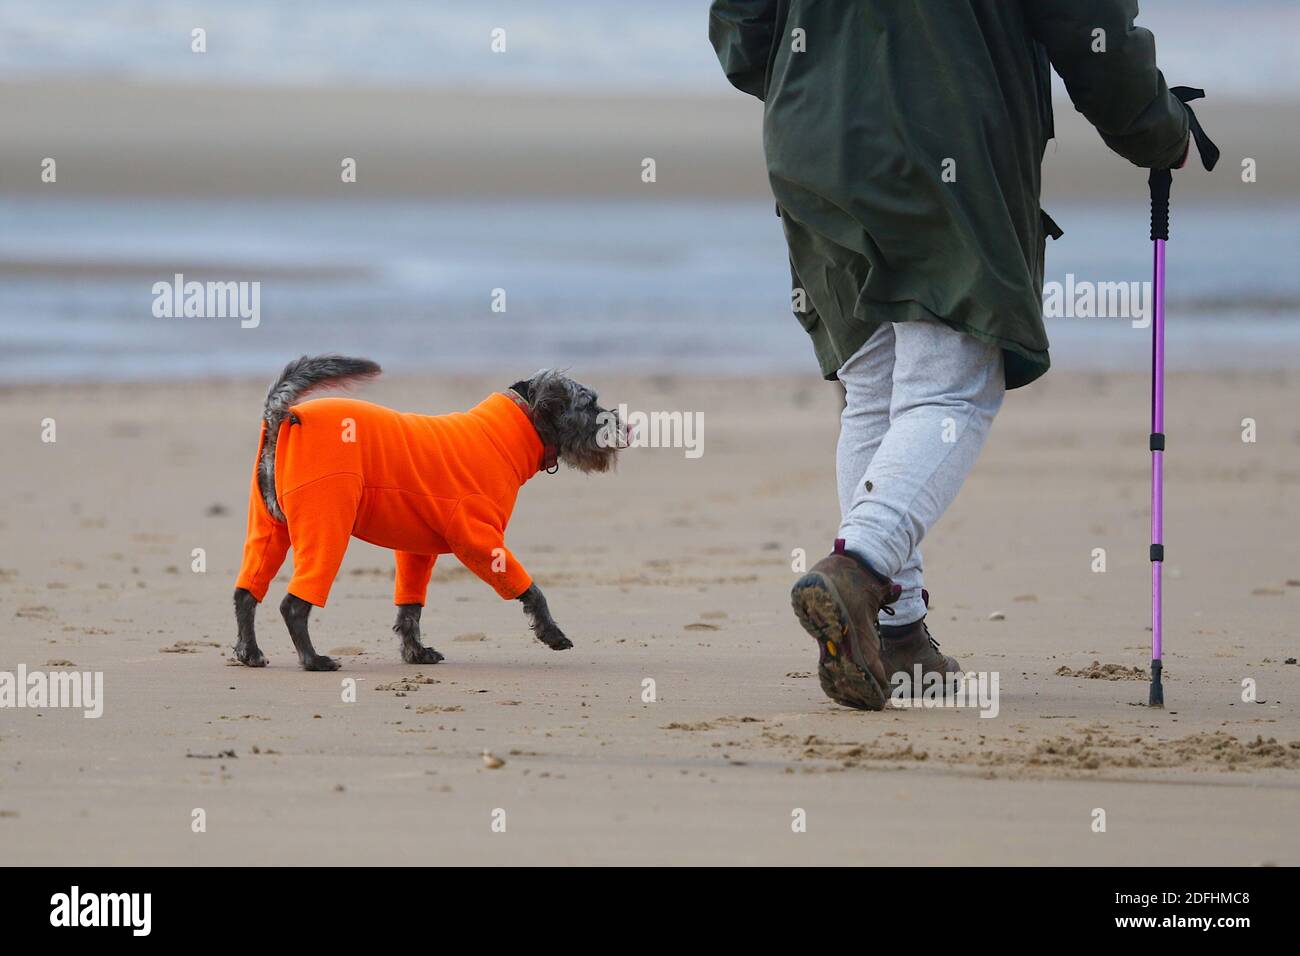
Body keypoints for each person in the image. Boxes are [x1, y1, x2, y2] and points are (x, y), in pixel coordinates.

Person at [709, 0, 1191, 709]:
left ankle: (898, 638)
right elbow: (1084, 22)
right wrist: (1156, 125)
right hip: (946, 138)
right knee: (948, 387)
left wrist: (820, 80)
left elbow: (741, 27)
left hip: (811, 134)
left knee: (873, 387)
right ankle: (861, 566)